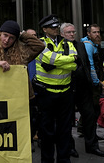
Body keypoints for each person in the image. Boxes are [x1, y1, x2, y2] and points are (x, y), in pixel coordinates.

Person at [60, 23, 104, 158]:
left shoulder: (81, 45)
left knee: (90, 115)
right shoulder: (61, 46)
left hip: (83, 87)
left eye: (73, 32)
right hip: (67, 87)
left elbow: (88, 64)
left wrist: (93, 82)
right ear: (62, 34)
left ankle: (92, 146)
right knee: (68, 120)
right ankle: (69, 147)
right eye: (68, 32)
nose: (71, 34)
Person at [34, 14, 77, 163]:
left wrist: (55, 63)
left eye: (56, 26)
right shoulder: (40, 43)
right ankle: (47, 160)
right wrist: (65, 60)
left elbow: (74, 64)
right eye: (52, 27)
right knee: (46, 132)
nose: (56, 29)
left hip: (65, 92)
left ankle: (64, 160)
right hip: (47, 93)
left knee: (65, 131)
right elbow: (47, 59)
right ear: (44, 29)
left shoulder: (68, 43)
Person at [0, 21, 45, 96]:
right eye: (5, 35)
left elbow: (39, 46)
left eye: (11, 38)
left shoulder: (22, 52)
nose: (7, 40)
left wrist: (22, 35)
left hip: (18, 95)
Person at [81, 24, 104, 120]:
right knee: (93, 106)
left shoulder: (95, 44)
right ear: (88, 34)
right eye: (94, 32)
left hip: (94, 80)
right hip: (91, 82)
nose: (97, 34)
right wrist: (96, 82)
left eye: (98, 32)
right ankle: (85, 129)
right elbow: (90, 65)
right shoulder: (88, 45)